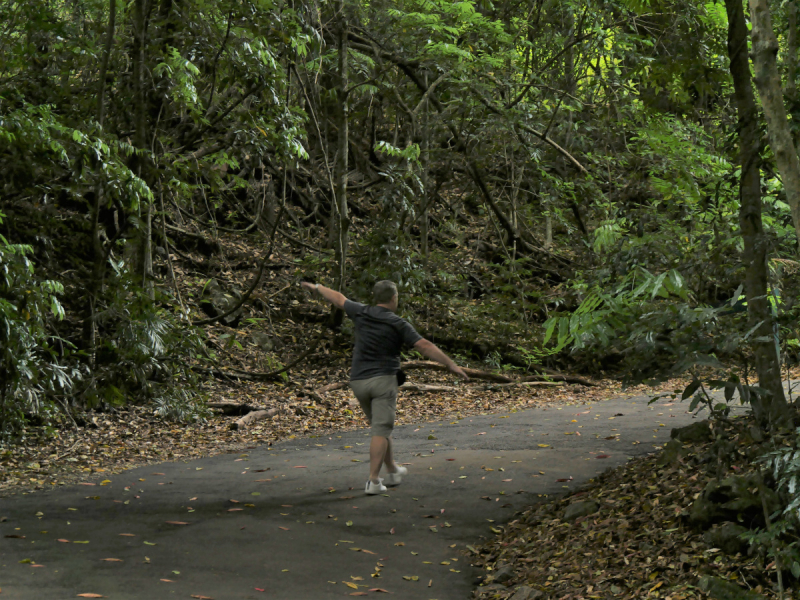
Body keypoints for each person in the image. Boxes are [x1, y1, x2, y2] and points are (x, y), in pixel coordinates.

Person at [300, 279, 469, 495]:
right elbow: (424, 345)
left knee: (381, 427)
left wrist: (316, 287)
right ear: (393, 298)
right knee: (380, 429)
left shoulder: (361, 311)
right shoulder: (397, 323)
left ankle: (392, 470)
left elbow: (339, 299)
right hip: (383, 381)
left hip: (358, 382)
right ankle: (373, 481)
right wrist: (451, 364)